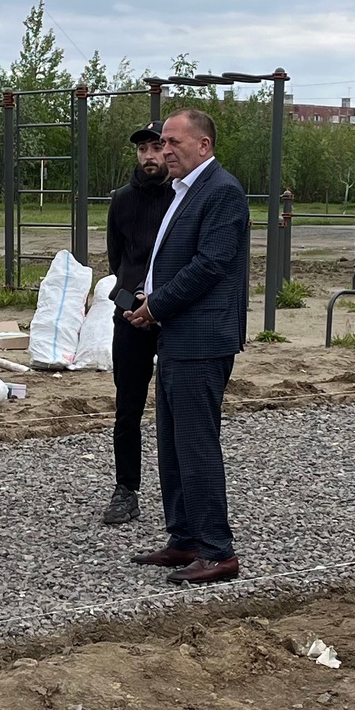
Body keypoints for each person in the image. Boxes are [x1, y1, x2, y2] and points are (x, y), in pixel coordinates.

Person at [124, 106, 250, 585]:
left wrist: (157, 306)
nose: (165, 149)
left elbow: (210, 265)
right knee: (174, 444)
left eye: (175, 142)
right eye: (163, 142)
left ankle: (217, 550)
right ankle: (184, 539)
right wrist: (148, 298)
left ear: (204, 146)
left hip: (201, 337)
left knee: (196, 445)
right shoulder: (184, 191)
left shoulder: (222, 192)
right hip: (177, 334)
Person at [99, 125, 174, 526]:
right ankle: (126, 489)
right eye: (143, 149)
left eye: (156, 147)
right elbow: (118, 266)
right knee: (128, 408)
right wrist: (134, 306)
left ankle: (181, 492)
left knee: (177, 407)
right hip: (130, 317)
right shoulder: (122, 202)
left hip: (174, 316)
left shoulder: (182, 199)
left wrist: (160, 305)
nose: (148, 155)